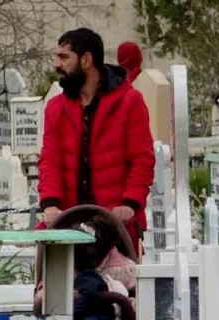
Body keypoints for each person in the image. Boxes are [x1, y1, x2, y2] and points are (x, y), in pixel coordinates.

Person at [37, 28, 155, 250]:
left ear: (86, 60)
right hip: (69, 227)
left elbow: (142, 159)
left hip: (117, 228)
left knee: (117, 284)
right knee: (53, 280)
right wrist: (50, 204)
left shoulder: (130, 102)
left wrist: (129, 204)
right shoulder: (55, 108)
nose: (56, 64)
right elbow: (50, 160)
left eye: (64, 57)